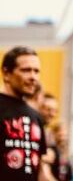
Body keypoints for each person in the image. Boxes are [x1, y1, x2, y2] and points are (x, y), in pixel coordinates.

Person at [1, 46, 50, 180]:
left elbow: (40, 171)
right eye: (26, 70)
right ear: (7, 74)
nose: (33, 77)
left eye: (36, 71)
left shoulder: (36, 117)